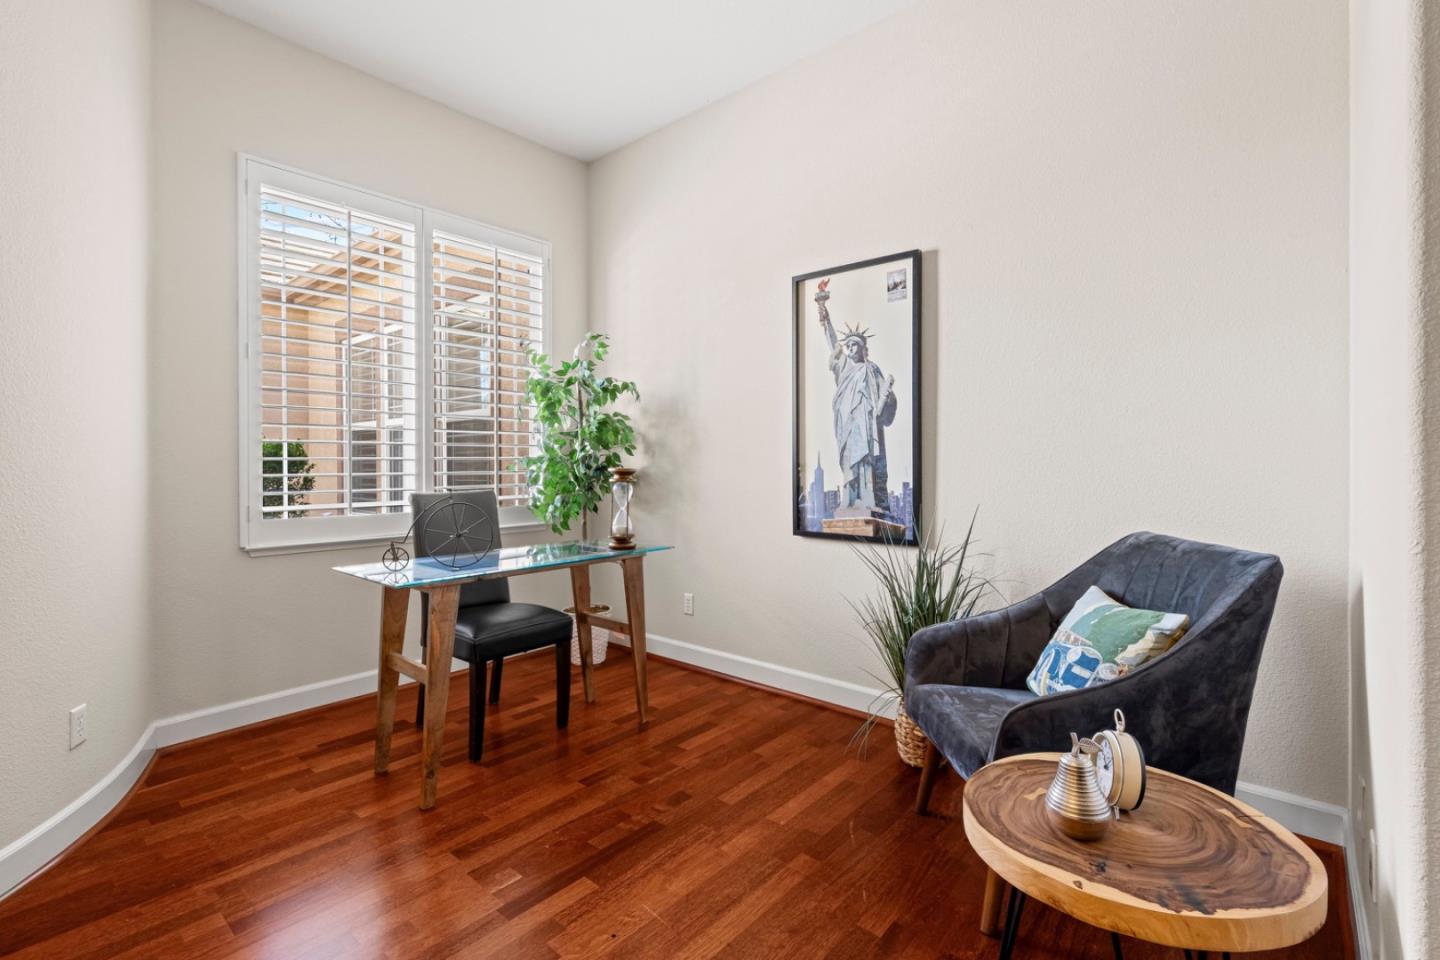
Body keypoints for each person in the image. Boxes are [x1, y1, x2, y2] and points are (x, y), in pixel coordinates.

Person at [815, 278, 896, 513]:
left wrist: (887, 399)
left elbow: (886, 397)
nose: (850, 349)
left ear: (863, 349)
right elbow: (832, 342)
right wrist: (824, 314)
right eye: (848, 346)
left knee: (867, 463)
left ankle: (869, 501)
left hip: (868, 426)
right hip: (848, 426)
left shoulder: (871, 369)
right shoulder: (843, 368)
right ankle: (850, 501)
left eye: (855, 346)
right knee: (851, 463)